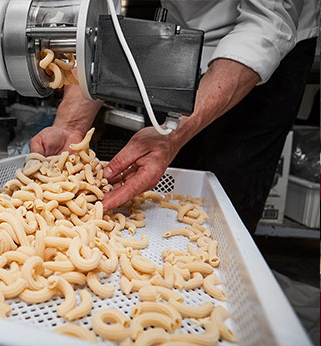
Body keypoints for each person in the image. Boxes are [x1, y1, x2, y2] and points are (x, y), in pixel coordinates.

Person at [30, 0, 319, 233]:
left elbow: (268, 23)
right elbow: (97, 19)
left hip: (271, 39)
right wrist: (71, 126)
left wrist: (175, 133)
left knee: (230, 197)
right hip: (179, 30)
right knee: (157, 185)